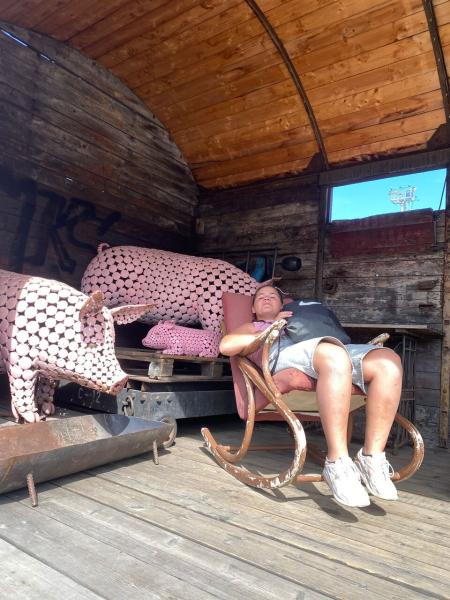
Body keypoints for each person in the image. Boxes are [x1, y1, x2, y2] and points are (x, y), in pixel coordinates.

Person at [219, 285, 402, 508]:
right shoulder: (253, 326)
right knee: (334, 356)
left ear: (283, 305)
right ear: (253, 309)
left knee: (388, 362)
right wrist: (271, 326)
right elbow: (226, 346)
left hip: (327, 349)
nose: (266, 298)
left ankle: (372, 458)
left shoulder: (299, 319)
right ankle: (337, 463)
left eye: (272, 296)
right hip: (287, 355)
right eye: (261, 297)